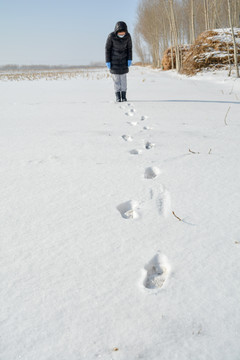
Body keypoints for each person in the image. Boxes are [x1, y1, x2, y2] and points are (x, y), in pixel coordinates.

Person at [105, 21, 132, 102]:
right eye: (120, 33)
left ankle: (123, 96)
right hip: (114, 61)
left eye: (123, 33)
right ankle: (117, 96)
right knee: (116, 80)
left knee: (123, 79)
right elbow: (107, 49)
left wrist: (129, 59)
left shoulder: (128, 36)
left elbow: (129, 48)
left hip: (124, 60)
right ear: (116, 31)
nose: (121, 35)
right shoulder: (111, 36)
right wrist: (108, 61)